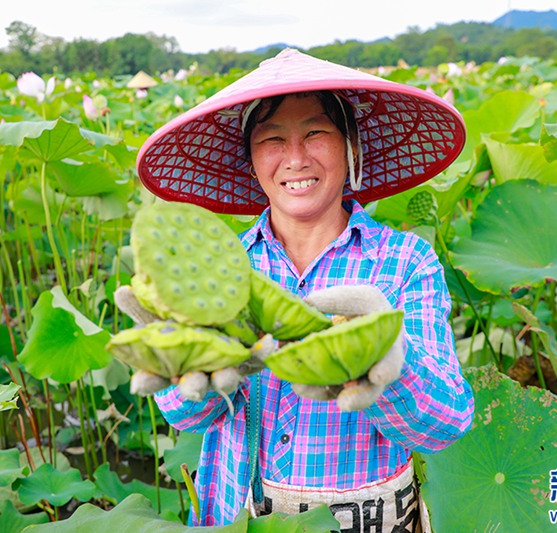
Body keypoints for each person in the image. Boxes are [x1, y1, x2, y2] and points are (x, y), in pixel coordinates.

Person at [134, 48, 475, 531]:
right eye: (273, 139)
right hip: (237, 513)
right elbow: (188, 418)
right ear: (250, 161)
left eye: (316, 133)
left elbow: (446, 424)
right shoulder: (221, 270)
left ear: (350, 146)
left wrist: (389, 363)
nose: (295, 158)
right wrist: (184, 361)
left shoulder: (405, 264)